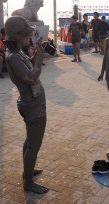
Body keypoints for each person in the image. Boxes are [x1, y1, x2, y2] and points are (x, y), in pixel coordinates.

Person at [4, 16, 49, 194]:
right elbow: (31, 77)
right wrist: (40, 58)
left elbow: (28, 67)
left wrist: (37, 51)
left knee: (30, 141)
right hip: (33, 106)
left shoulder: (17, 52)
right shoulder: (13, 56)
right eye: (25, 35)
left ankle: (28, 172)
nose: (27, 38)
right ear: (16, 36)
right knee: (34, 145)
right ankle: (28, 182)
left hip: (32, 103)